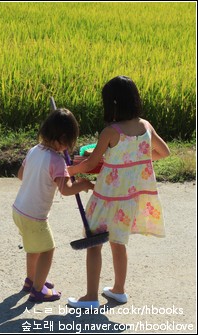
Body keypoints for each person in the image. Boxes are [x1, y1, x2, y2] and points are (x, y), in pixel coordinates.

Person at [67, 76, 170, 308]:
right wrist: (137, 160)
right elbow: (164, 152)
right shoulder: (146, 126)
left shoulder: (110, 132)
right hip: (128, 201)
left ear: (112, 103)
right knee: (118, 243)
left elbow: (90, 163)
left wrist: (71, 169)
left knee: (94, 243)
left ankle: (90, 297)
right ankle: (118, 290)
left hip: (106, 199)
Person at [13, 108, 94, 302]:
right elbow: (66, 190)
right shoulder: (57, 160)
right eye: (69, 143)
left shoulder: (34, 150)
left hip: (19, 210)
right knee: (48, 250)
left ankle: (31, 280)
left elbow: (20, 175)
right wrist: (83, 184)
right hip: (35, 217)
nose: (68, 148)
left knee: (34, 248)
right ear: (62, 139)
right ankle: (38, 290)